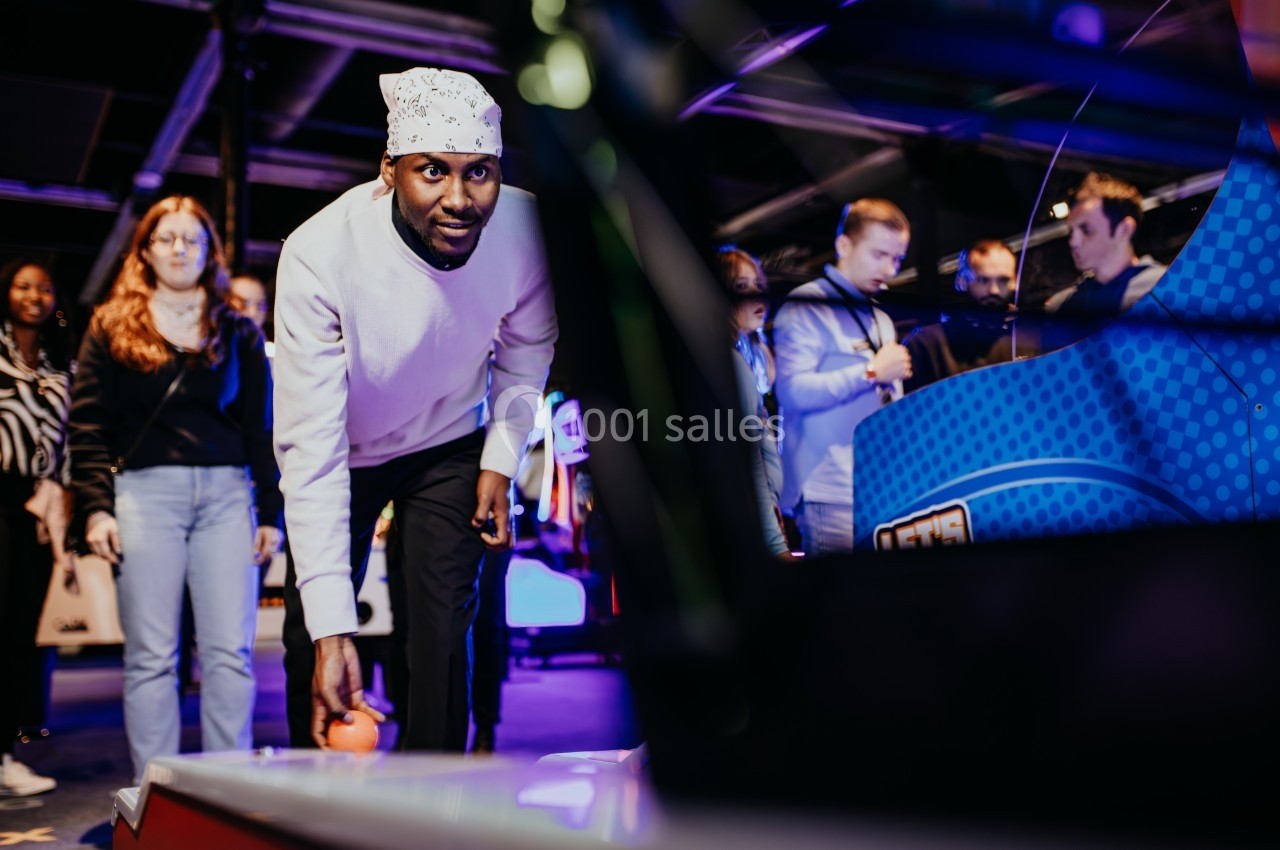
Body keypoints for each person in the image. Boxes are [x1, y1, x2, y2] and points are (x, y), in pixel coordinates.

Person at [273, 66, 557, 752]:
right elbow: (310, 451)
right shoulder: (318, 254)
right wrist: (335, 630)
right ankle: (312, 803)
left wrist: (499, 456)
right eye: (433, 171)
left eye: (479, 173)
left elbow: (529, 348)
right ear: (389, 171)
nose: (459, 199)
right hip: (345, 451)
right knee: (311, 633)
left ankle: (435, 802)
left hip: (450, 442)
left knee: (440, 633)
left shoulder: (527, 231)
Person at [68, 196, 283, 785]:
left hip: (227, 497)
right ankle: (154, 792)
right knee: (151, 658)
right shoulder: (110, 324)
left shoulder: (236, 326)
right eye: (167, 238)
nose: (180, 249)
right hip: (144, 496)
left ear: (210, 251)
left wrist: (271, 511)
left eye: (192, 238)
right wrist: (95, 508)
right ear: (145, 248)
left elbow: (259, 427)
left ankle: (228, 789)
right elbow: (86, 426)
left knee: (228, 654)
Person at [773, 198, 913, 556]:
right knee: (841, 603)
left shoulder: (880, 317)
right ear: (843, 245)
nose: (890, 268)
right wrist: (869, 372)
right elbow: (791, 391)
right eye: (879, 254)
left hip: (882, 486)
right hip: (828, 490)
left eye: (897, 259)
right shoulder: (805, 304)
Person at [1, 259, 73, 797]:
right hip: (1, 498)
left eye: (44, 287)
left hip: (40, 509)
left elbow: (67, 435)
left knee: (25, 628)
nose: (34, 295)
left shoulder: (57, 359)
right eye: (24, 286)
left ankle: (8, 749)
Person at [715, 247, 790, 559]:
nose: (755, 295)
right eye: (741, 287)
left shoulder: (743, 360)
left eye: (758, 285)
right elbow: (751, 468)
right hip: (754, 535)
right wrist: (776, 546)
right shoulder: (730, 363)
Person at [1040, 171, 1167, 352]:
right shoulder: (1060, 307)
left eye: (1086, 230)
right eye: (1071, 231)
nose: (1073, 242)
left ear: (1123, 229)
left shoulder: (1166, 287)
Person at [903, 239, 1017, 392]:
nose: (994, 290)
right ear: (962, 281)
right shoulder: (925, 343)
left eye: (1003, 280)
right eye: (983, 280)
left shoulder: (1033, 337)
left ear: (1015, 281)